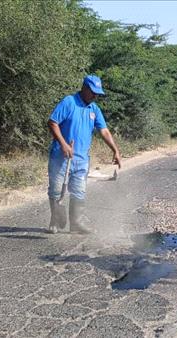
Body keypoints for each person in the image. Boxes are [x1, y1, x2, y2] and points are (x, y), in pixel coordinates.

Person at [47, 75, 121, 234]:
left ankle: (76, 224)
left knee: (79, 191)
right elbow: (53, 122)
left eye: (98, 94)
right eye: (93, 92)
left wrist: (115, 150)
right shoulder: (69, 102)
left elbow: (104, 131)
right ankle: (55, 220)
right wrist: (64, 144)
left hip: (81, 160)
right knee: (56, 190)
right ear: (84, 88)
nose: (95, 96)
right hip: (61, 157)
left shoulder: (94, 109)